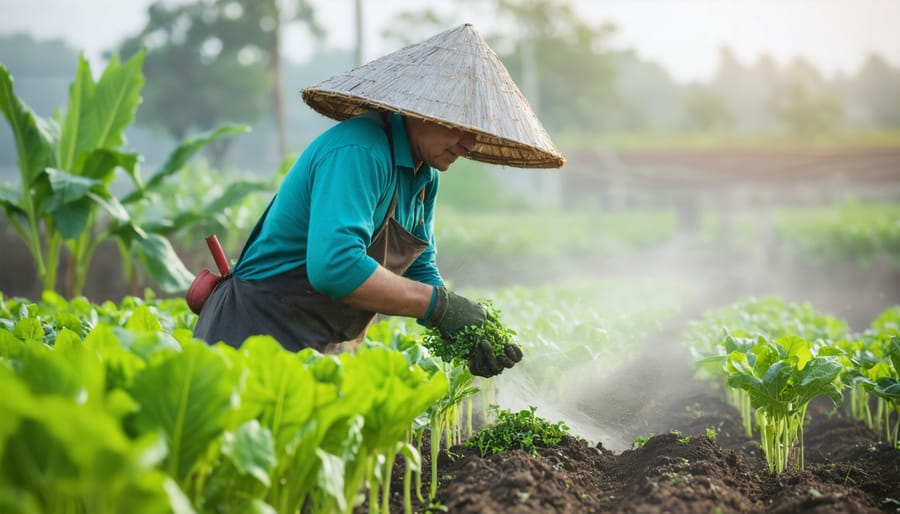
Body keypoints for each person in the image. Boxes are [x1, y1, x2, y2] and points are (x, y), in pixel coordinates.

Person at [192, 23, 565, 377]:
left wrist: (462, 330)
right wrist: (438, 307)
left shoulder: (424, 177)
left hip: (316, 349)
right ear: (420, 110)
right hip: (253, 339)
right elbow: (335, 267)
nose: (468, 144)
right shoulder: (360, 151)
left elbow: (420, 269)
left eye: (476, 132)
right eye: (459, 127)